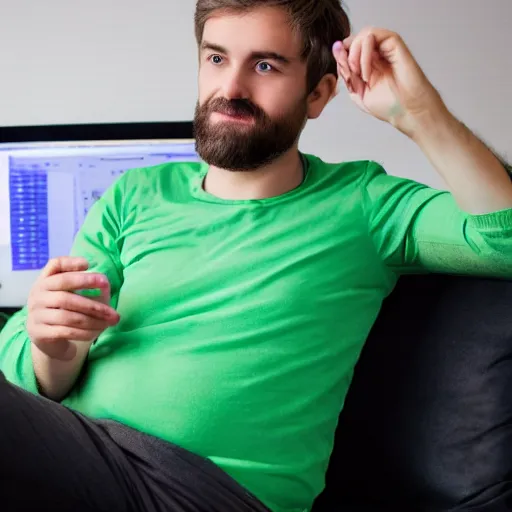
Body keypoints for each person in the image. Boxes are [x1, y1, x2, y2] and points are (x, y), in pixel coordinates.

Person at [1, 1, 511, 511]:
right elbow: (33, 369)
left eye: (264, 66)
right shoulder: (135, 194)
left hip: (204, 492)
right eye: (217, 59)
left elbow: (502, 241)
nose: (231, 90)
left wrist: (422, 115)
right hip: (85, 452)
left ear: (319, 93)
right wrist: (50, 342)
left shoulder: (365, 204)